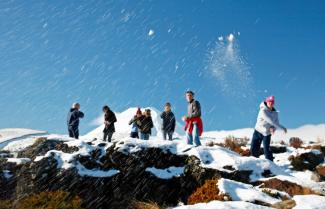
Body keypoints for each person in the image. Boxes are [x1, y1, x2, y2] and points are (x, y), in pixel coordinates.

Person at [250, 96, 287, 161]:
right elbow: (270, 121)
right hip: (258, 131)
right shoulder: (262, 111)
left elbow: (276, 123)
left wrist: (273, 128)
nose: (270, 103)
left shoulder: (275, 113)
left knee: (267, 150)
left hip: (267, 134)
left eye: (272, 102)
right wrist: (282, 128)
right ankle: (254, 163)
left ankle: (271, 165)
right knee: (254, 148)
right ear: (266, 102)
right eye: (269, 102)